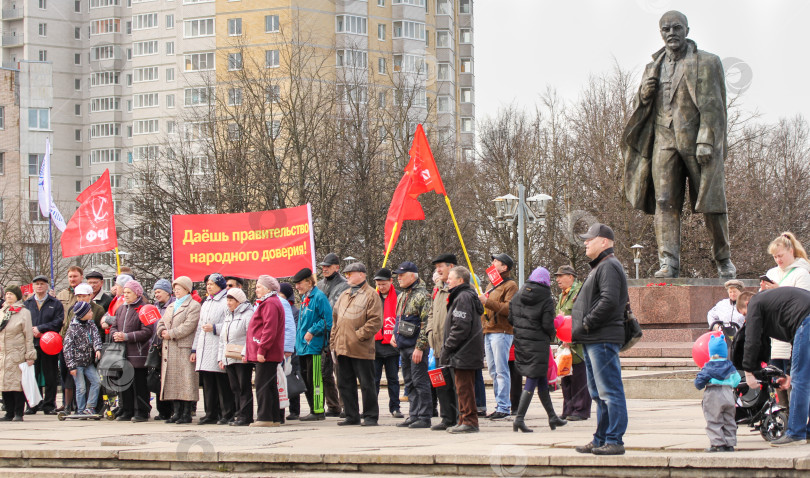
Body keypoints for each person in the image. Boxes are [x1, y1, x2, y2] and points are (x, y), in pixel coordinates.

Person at [622, 10, 735, 279]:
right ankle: (668, 262)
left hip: (697, 142)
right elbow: (642, 108)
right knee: (664, 201)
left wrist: (707, 139)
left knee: (711, 203)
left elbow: (715, 107)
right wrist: (644, 94)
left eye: (676, 28)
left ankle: (723, 259)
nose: (671, 33)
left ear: (687, 29)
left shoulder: (707, 62)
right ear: (661, 33)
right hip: (663, 139)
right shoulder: (653, 66)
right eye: (666, 29)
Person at [572, 223, 629, 456]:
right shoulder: (600, 267)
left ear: (604, 242)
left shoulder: (609, 266)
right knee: (598, 393)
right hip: (594, 338)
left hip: (602, 338)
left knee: (610, 391)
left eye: (590, 239)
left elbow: (608, 301)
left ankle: (614, 440)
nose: (585, 242)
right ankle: (601, 439)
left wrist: (587, 323)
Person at [736, 288, 810, 446]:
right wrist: (788, 373)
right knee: (804, 378)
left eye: (744, 314)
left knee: (801, 381)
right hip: (804, 320)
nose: (746, 319)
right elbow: (794, 339)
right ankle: (807, 430)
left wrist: (748, 372)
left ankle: (796, 434)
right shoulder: (775, 306)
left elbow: (752, 339)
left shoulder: (755, 302)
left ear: (748, 304)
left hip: (807, 320)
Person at [508, 267, 567, 433]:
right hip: (538, 344)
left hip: (521, 342)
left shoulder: (518, 295)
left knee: (541, 379)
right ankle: (519, 418)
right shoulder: (546, 298)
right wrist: (559, 321)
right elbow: (548, 324)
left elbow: (511, 318)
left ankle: (552, 417)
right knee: (533, 379)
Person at [760, 232, 810, 407]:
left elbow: (803, 304)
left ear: (791, 251)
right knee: (777, 381)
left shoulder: (802, 273)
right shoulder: (772, 272)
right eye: (775, 257)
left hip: (795, 334)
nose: (778, 260)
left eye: (780, 256)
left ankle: (797, 421)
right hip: (776, 338)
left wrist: (778, 291)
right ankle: (782, 416)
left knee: (795, 381)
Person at [330, 262, 382, 427]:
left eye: (350, 274)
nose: (347, 277)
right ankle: (351, 415)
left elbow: (375, 321)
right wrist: (333, 342)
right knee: (344, 383)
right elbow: (335, 320)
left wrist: (359, 335)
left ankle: (370, 416)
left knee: (367, 384)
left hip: (361, 348)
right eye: (346, 274)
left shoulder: (371, 294)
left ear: (361, 274)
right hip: (342, 347)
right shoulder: (344, 294)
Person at [442, 266, 485, 434]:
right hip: (466, 350)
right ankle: (464, 419)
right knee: (462, 387)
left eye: (450, 278)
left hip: (463, 350)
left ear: (460, 280)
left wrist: (448, 346)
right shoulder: (465, 296)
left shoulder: (463, 297)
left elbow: (460, 327)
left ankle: (469, 421)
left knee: (464, 388)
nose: (447, 281)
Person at [391, 261, 432, 429]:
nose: (398, 278)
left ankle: (424, 416)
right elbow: (398, 319)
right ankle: (413, 414)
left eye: (402, 275)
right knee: (409, 382)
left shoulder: (423, 295)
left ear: (412, 276)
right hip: (403, 345)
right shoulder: (401, 296)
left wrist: (420, 347)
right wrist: (395, 335)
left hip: (415, 346)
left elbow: (426, 322)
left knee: (420, 381)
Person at [479, 253, 518, 419]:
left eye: (497, 261)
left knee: (501, 370)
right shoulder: (492, 284)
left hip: (502, 331)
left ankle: (504, 406)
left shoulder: (511, 286)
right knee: (494, 371)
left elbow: (509, 309)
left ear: (505, 267)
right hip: (489, 331)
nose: (493, 263)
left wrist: (486, 302)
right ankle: (499, 404)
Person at [156, 276, 200, 425]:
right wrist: (161, 330)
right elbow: (161, 321)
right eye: (175, 289)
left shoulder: (193, 306)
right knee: (173, 381)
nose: (176, 291)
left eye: (179, 288)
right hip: (170, 348)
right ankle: (176, 412)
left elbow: (189, 326)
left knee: (186, 382)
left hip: (183, 347)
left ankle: (186, 413)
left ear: (187, 289)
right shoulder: (171, 306)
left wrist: (172, 333)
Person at [192, 273, 234, 425]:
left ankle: (226, 413)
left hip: (217, 345)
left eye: (212, 284)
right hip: (205, 346)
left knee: (221, 383)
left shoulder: (225, 302)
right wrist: (194, 349)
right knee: (208, 383)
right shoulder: (207, 302)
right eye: (207, 284)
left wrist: (215, 328)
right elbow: (199, 327)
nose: (208, 286)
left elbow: (230, 323)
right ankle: (210, 412)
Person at [110, 280, 155, 422]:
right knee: (125, 384)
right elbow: (114, 326)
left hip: (138, 353)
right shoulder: (121, 309)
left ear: (137, 293)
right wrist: (115, 334)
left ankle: (141, 411)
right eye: (124, 292)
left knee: (139, 384)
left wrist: (127, 336)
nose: (126, 295)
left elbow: (147, 332)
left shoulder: (145, 308)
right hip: (122, 354)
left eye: (129, 292)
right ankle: (127, 410)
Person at [293, 268, 333, 422]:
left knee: (315, 378)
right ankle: (312, 408)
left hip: (314, 346)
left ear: (309, 282)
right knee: (306, 379)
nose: (297, 287)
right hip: (303, 347)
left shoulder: (319, 297)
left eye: (300, 283)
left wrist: (312, 330)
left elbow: (327, 321)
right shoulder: (305, 298)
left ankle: (317, 410)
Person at [246, 275, 286, 427]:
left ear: (268, 289)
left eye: (259, 287)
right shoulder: (270, 302)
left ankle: (264, 417)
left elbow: (269, 329)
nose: (256, 289)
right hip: (268, 352)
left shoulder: (269, 303)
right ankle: (274, 417)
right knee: (269, 385)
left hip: (266, 352)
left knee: (262, 384)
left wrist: (262, 349)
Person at [59, 283, 105, 413]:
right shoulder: (72, 329)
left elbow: (96, 337)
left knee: (96, 382)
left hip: (88, 361)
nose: (91, 313)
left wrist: (97, 349)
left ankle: (90, 407)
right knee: (81, 387)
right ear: (83, 314)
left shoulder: (91, 324)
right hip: (77, 363)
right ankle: (80, 409)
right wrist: (71, 366)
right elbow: (67, 348)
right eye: (89, 311)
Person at [426, 254, 459, 430]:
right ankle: (447, 418)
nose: (438, 270)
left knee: (456, 385)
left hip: (452, 347)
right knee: (441, 384)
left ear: (451, 267)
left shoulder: (460, 289)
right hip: (437, 345)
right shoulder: (437, 288)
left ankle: (460, 417)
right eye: (437, 267)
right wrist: (430, 331)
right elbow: (431, 313)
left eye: (441, 266)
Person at [554, 265, 591, 422]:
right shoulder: (563, 294)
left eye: (561, 276)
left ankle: (580, 410)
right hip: (565, 343)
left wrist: (571, 338)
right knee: (566, 378)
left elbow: (580, 316)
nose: (557, 279)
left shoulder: (579, 292)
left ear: (571, 276)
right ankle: (568, 409)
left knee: (579, 379)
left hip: (577, 345)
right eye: (557, 276)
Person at [24, 275, 64, 415]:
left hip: (49, 343)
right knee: (32, 375)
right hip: (31, 344)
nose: (39, 286)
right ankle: (33, 404)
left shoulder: (55, 303)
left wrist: (41, 329)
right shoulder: (27, 303)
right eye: (36, 284)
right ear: (33, 286)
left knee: (50, 375)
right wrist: (32, 330)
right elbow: (23, 321)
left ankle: (49, 404)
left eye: (42, 284)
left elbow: (58, 321)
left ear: (47, 286)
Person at [694, 334, 740, 453]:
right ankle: (730, 443)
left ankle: (717, 443)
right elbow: (737, 380)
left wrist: (699, 383)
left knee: (714, 419)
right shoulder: (730, 366)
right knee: (729, 419)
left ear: (711, 352)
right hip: (728, 393)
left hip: (713, 393)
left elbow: (699, 382)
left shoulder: (708, 367)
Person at [317, 252, 348, 417]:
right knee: (324, 372)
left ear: (337, 267)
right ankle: (333, 405)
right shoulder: (320, 285)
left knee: (339, 371)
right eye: (323, 266)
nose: (324, 269)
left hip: (337, 332)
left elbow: (335, 307)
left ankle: (345, 405)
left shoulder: (344, 285)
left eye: (328, 266)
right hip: (322, 334)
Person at [217, 287, 254, 426]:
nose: (228, 302)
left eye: (231, 299)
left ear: (239, 301)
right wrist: (221, 357)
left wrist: (246, 352)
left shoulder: (247, 314)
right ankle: (239, 414)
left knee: (244, 387)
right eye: (227, 299)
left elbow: (250, 336)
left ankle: (246, 416)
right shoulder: (228, 315)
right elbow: (222, 339)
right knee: (235, 388)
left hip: (242, 357)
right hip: (229, 357)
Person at [0, 285, 37, 421]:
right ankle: (8, 412)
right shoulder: (2, 312)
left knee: (17, 384)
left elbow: (28, 335)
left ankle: (18, 412)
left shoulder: (23, 312)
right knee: (4, 384)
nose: (8, 296)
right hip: (3, 353)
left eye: (11, 294)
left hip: (17, 352)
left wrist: (30, 355)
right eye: (7, 294)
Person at [372, 268, 402, 419]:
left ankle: (395, 407)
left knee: (393, 379)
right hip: (375, 345)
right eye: (378, 284)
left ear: (391, 282)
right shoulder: (373, 297)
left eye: (383, 284)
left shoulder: (398, 296)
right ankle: (372, 408)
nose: (381, 287)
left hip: (392, 345)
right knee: (374, 380)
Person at [150, 279, 175, 421]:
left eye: (159, 291)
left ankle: (171, 409)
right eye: (155, 292)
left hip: (169, 346)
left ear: (167, 292)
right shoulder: (154, 307)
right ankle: (162, 410)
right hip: (156, 347)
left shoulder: (172, 306)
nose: (156, 294)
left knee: (169, 380)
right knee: (158, 380)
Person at [279, 282, 301, 420]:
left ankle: (294, 409)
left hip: (291, 350)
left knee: (291, 377)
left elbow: (294, 330)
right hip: (280, 349)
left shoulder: (294, 311)